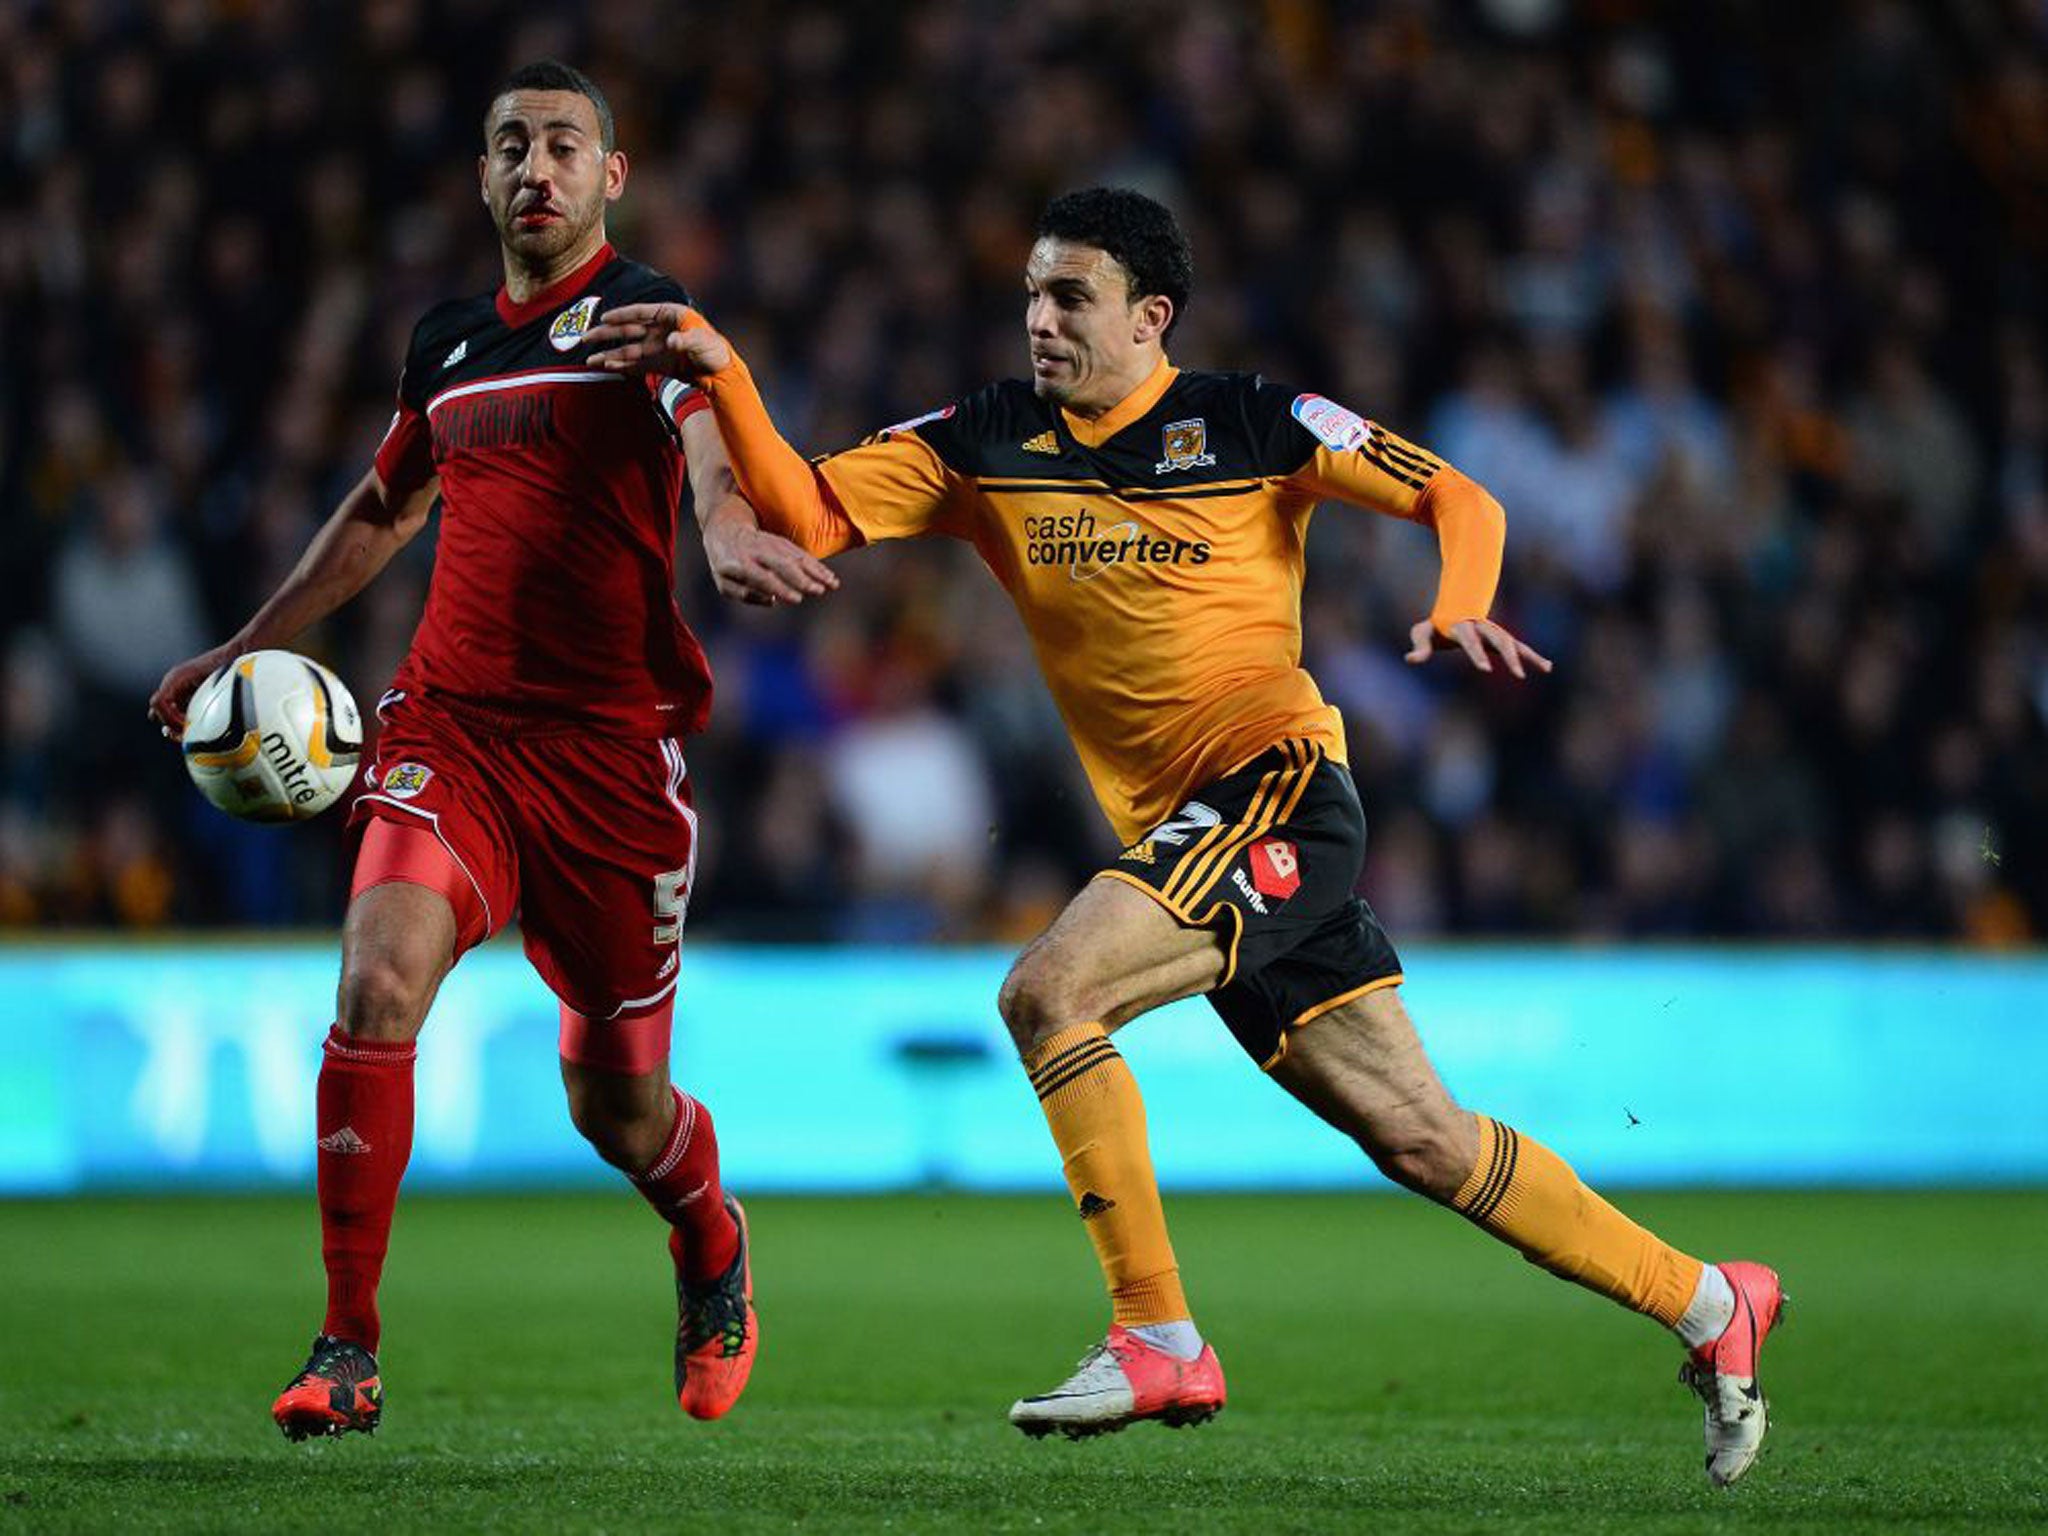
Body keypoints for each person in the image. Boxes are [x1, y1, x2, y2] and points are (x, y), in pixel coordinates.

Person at [585, 187, 1786, 1487]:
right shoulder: (987, 437)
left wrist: (1460, 607)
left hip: (1274, 792)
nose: (1040, 321)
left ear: (1152, 316)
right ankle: (1714, 1304)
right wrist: (728, 376)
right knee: (1423, 1137)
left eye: (1072, 297)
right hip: (1187, 843)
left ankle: (1157, 1332)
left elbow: (1462, 499)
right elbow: (809, 513)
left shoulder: (1254, 422)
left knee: (1050, 993)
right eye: (1033, 294)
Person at [149, 61, 835, 1441]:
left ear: (610, 176)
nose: (537, 166)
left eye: (564, 145)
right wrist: (242, 645)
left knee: (617, 1110)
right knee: (377, 979)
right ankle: (349, 1347)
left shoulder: (651, 320)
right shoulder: (449, 344)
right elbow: (379, 508)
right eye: (511, 145)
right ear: (481, 178)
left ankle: (710, 1240)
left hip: (610, 761)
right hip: (452, 729)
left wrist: (721, 529)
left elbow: (705, 447)